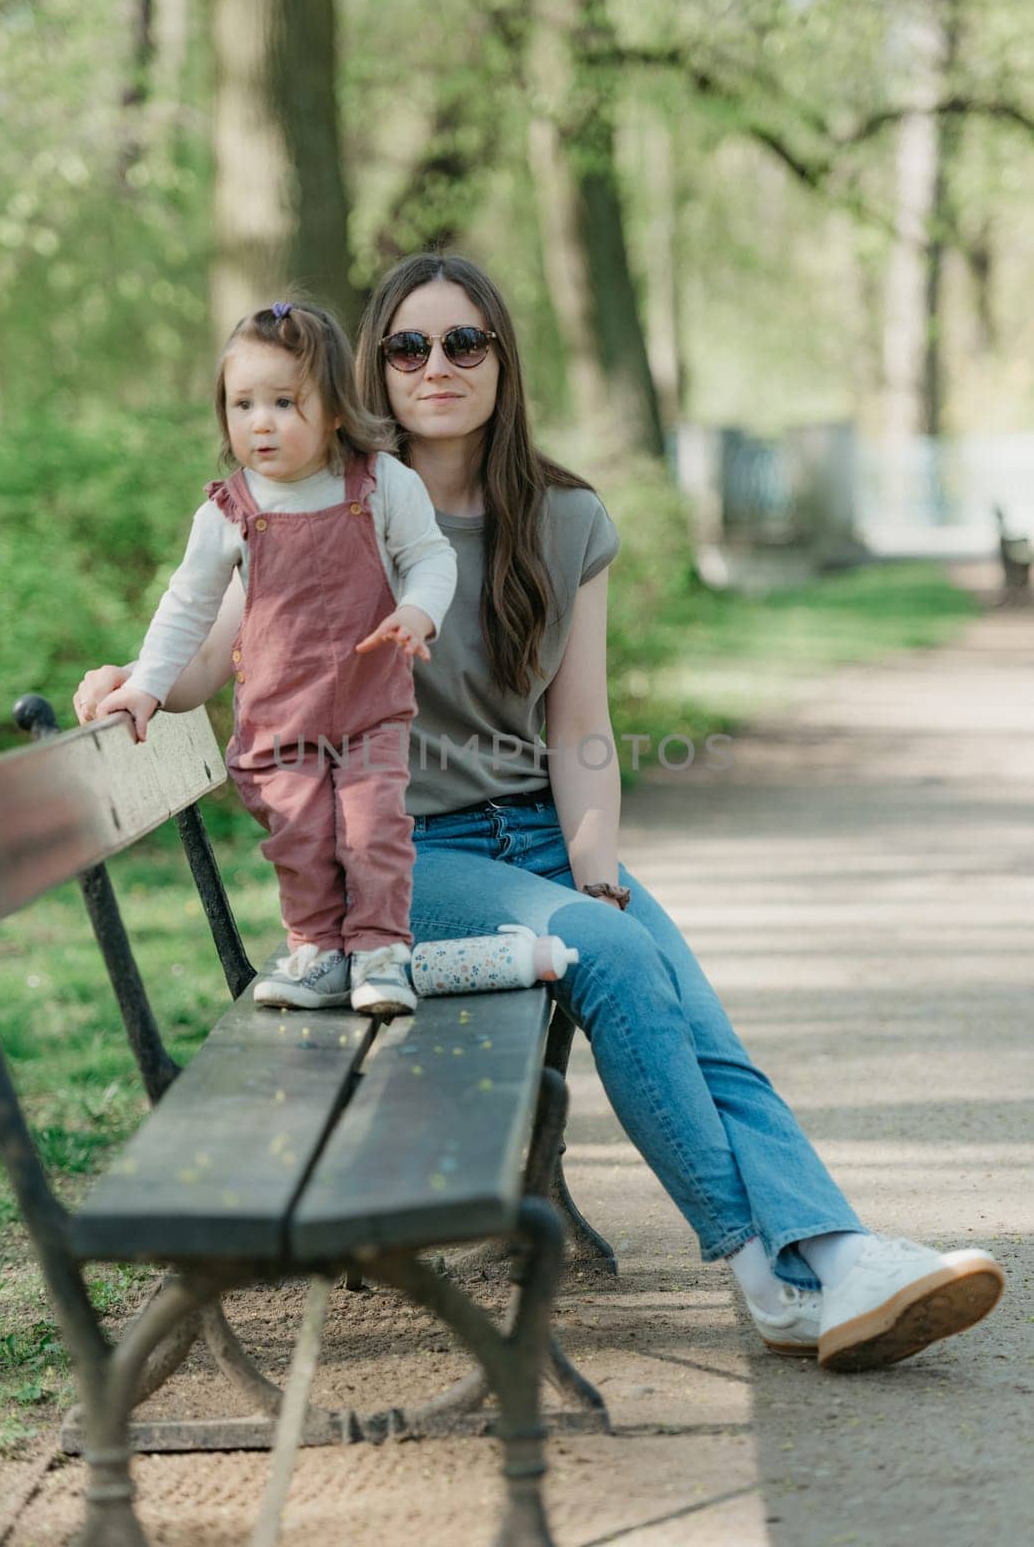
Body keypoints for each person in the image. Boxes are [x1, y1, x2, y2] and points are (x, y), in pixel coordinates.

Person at [75, 255, 1004, 1372]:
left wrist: (597, 860)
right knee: (613, 950)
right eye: (408, 347)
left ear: (503, 362)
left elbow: (582, 728)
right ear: (372, 369)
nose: (436, 367)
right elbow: (209, 646)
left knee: (692, 1010)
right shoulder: (334, 499)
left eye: (464, 342)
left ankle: (837, 1254)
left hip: (541, 838)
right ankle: (767, 1274)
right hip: (401, 864)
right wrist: (130, 677)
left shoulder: (566, 520)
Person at [92, 300, 456, 1016]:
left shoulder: (380, 485)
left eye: (285, 402)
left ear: (336, 413)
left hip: (369, 708)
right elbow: (187, 607)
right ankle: (318, 954)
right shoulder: (229, 511)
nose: (261, 421)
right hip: (278, 719)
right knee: (304, 838)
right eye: (242, 403)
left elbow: (431, 558)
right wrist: (144, 683)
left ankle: (382, 953)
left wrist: (418, 610)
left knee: (373, 828)